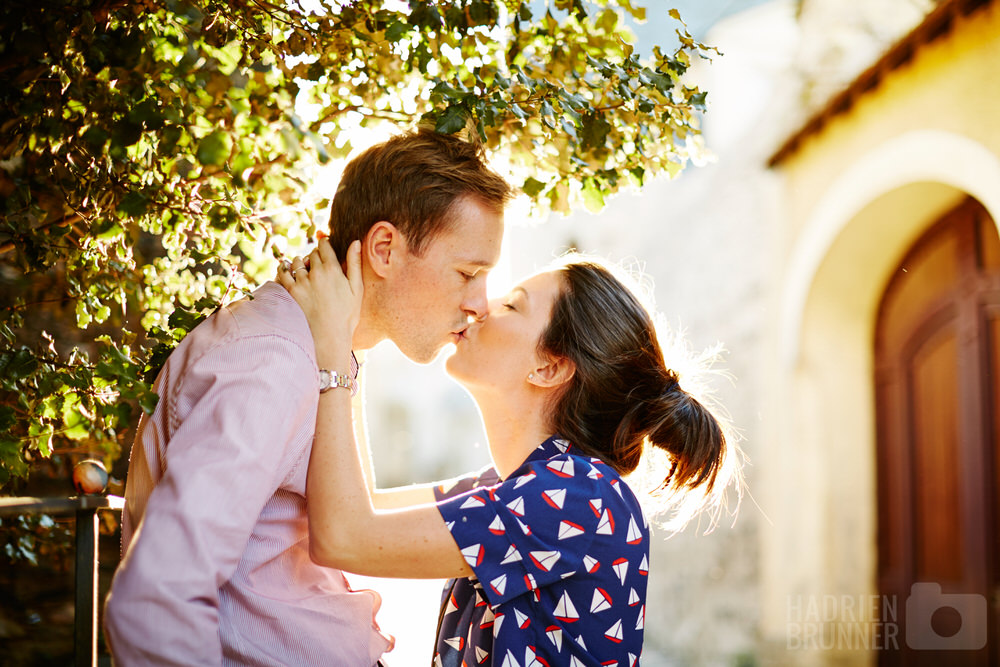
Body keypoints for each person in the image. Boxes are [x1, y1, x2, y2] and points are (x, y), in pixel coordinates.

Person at [103, 129, 514, 665]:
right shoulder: (273, 359)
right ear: (385, 249)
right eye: (467, 273)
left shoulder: (319, 347)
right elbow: (157, 598)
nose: (480, 303)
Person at [278, 240, 741, 666]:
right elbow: (362, 508)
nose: (480, 307)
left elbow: (344, 537)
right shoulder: (509, 488)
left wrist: (334, 347)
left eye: (512, 305)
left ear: (549, 366)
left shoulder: (577, 498)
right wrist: (351, 339)